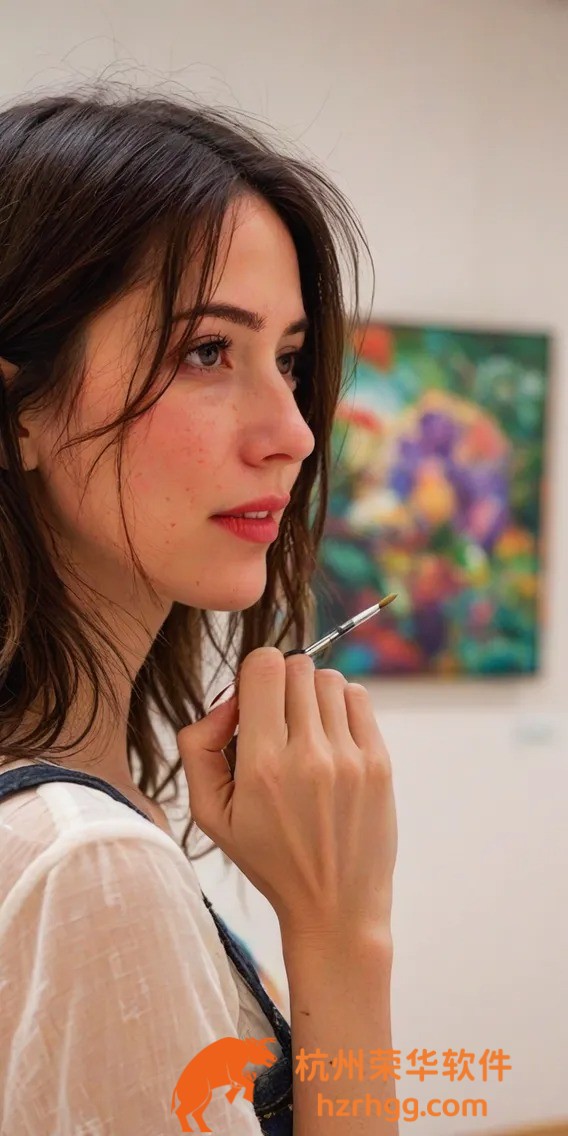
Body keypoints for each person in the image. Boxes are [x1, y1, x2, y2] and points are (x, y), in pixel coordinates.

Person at [0, 88, 399, 1135]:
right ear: (18, 412)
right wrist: (341, 931)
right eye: (207, 352)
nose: (294, 433)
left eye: (290, 360)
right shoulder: (82, 863)